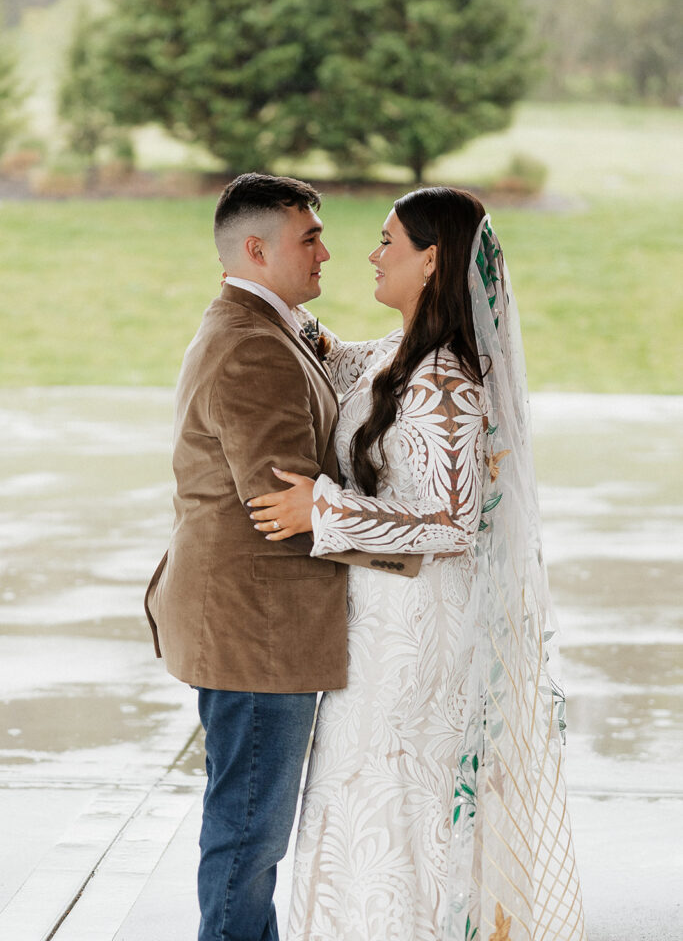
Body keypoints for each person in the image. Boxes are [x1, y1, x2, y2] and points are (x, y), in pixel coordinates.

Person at [249, 187, 586, 940]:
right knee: (354, 790)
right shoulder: (392, 358)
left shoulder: (446, 385)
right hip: (370, 625)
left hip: (420, 635)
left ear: (432, 261)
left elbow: (451, 521)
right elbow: (322, 352)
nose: (369, 255)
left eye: (385, 243)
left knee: (398, 796)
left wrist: (323, 510)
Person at [143, 173, 420, 941]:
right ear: (256, 249)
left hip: (250, 621)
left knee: (245, 824)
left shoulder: (270, 326)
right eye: (310, 238)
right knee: (247, 834)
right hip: (258, 629)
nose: (327, 252)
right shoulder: (248, 346)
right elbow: (287, 512)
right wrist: (425, 538)